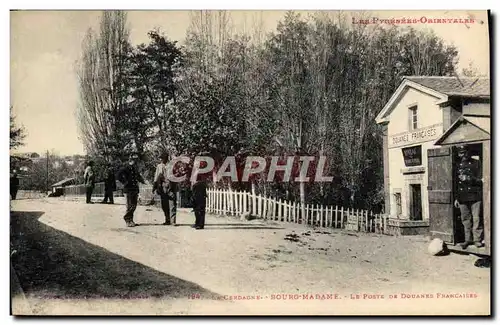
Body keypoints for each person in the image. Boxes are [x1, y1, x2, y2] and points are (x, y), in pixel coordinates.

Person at [454, 145, 483, 249]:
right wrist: (456, 198)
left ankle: (477, 240)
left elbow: (481, 180)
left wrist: (469, 179)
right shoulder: (457, 165)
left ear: (468, 152)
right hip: (462, 196)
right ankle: (468, 239)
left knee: (476, 218)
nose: (462, 155)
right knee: (465, 219)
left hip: (475, 195)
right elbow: (455, 183)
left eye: (463, 153)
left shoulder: (476, 163)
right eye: (460, 153)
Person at [117, 153, 146, 227]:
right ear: (131, 159)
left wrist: (143, 181)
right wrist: (125, 182)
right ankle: (128, 220)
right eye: (134, 160)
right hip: (128, 189)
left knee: (134, 205)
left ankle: (130, 219)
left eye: (136, 160)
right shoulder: (125, 167)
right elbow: (118, 175)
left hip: (134, 188)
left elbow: (138, 176)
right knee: (129, 205)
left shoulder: (135, 168)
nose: (135, 161)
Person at [153, 152, 178, 226]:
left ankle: (173, 221)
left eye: (162, 158)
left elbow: (176, 177)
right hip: (163, 187)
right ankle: (167, 220)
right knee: (164, 205)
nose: (161, 160)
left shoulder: (172, 166)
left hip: (171, 187)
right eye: (160, 158)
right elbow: (156, 177)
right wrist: (154, 187)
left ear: (166, 158)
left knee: (172, 205)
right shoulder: (159, 166)